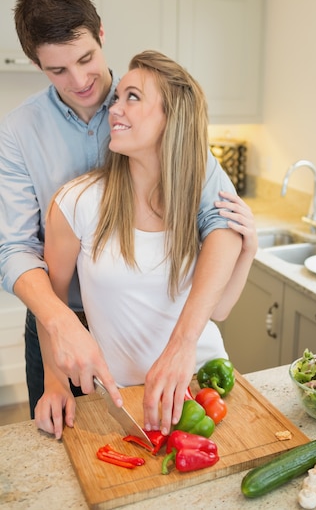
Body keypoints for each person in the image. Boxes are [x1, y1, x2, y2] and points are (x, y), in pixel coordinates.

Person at [0, 0, 257, 423]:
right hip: (55, 315)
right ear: (36, 64)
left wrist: (184, 341)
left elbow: (221, 222)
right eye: (57, 70)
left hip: (151, 324)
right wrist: (60, 324)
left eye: (86, 59)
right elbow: (14, 249)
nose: (79, 80)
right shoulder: (19, 133)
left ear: (101, 34)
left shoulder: (146, 108)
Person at [35, 50, 256, 439]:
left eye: (132, 97)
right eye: (117, 97)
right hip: (127, 400)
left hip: (205, 389)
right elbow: (51, 307)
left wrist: (247, 250)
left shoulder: (198, 201)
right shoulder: (76, 202)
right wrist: (54, 383)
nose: (114, 109)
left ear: (172, 117)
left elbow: (219, 310)